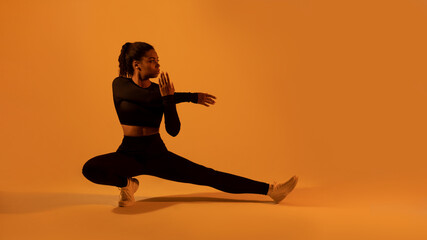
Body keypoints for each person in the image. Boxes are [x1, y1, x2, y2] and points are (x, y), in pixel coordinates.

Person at [81, 41, 298, 207]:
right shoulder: (120, 85)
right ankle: (127, 185)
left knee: (209, 175)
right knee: (90, 168)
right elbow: (145, 98)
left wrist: (170, 99)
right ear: (136, 64)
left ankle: (272, 190)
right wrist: (188, 96)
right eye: (152, 60)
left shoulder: (161, 92)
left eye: (158, 59)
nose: (158, 64)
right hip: (128, 154)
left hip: (157, 154)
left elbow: (173, 131)